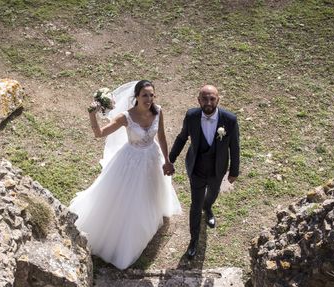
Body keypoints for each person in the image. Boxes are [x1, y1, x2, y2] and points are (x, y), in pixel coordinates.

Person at [68, 80, 181, 270]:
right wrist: (92, 115)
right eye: (145, 95)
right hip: (131, 161)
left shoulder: (158, 111)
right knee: (130, 198)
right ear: (136, 96)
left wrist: (167, 160)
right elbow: (99, 133)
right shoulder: (126, 117)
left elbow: (161, 136)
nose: (149, 99)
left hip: (152, 158)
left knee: (151, 193)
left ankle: (148, 220)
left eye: (152, 95)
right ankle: (127, 235)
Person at [165, 84, 240, 259]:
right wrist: (171, 159)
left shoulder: (230, 120)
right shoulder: (191, 116)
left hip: (217, 170)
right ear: (198, 100)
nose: (208, 102)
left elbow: (235, 147)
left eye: (212, 98)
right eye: (204, 98)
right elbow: (182, 137)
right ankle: (193, 240)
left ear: (218, 100)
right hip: (197, 169)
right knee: (195, 205)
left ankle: (209, 207)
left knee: (212, 194)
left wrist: (234, 170)